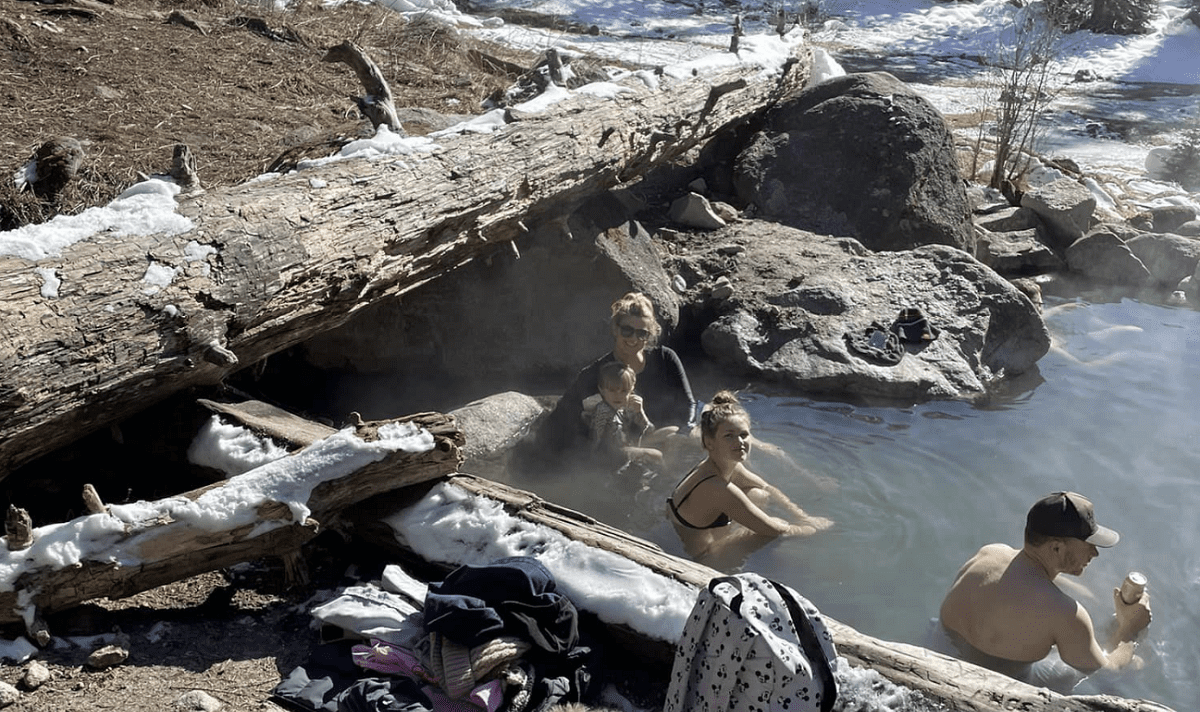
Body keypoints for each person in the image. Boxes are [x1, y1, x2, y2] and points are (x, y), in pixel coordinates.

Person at [937, 491, 1153, 690]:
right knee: (1131, 665)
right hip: (989, 689)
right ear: (1057, 547)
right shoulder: (1067, 614)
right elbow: (1107, 673)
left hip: (938, 658)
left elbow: (1020, 574)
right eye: (1088, 543)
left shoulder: (989, 553)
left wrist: (1064, 583)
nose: (1095, 553)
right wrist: (1129, 629)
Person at [666, 391, 833, 560]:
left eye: (743, 435)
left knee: (759, 494)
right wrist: (814, 528)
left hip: (703, 532)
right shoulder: (718, 488)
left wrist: (803, 517)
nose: (739, 442)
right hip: (703, 557)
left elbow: (767, 487)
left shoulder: (722, 464)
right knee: (779, 526)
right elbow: (776, 530)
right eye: (729, 436)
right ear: (710, 443)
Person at [538, 292, 696, 458]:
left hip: (654, 436)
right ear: (615, 329)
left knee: (683, 434)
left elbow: (689, 403)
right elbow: (561, 417)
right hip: (617, 448)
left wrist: (685, 432)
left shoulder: (665, 358)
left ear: (649, 335)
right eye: (627, 330)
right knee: (655, 455)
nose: (634, 339)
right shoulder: (594, 374)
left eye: (641, 333)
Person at [586, 360, 668, 469]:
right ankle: (666, 480)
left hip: (628, 445)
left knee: (670, 431)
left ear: (631, 390)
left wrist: (640, 412)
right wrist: (592, 464)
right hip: (612, 454)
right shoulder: (603, 410)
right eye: (612, 390)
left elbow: (649, 431)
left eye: (624, 391)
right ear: (602, 390)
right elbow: (595, 440)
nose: (618, 395)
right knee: (656, 455)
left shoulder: (628, 407)